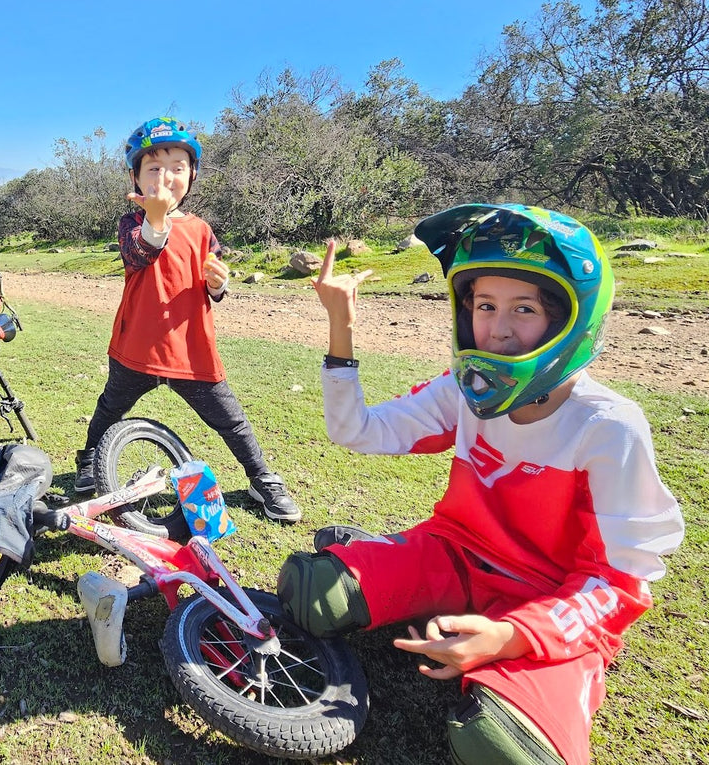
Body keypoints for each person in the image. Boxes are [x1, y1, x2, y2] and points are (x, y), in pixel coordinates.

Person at [275, 204, 684, 764]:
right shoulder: (463, 390)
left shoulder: (608, 427)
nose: (498, 328)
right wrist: (340, 323)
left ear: (572, 320)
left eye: (525, 308)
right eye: (485, 305)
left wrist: (510, 636)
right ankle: (400, 574)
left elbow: (624, 582)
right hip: (456, 555)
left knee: (499, 747)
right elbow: (357, 431)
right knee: (310, 590)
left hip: (549, 598)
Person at [73, 117, 300, 522]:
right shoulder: (133, 223)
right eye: (154, 169)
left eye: (177, 167)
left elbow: (211, 285)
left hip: (190, 352)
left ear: (191, 175)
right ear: (136, 177)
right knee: (110, 408)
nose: (166, 177)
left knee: (232, 421)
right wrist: (155, 217)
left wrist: (218, 285)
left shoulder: (201, 229)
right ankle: (88, 459)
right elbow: (139, 254)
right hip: (136, 349)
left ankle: (261, 477)